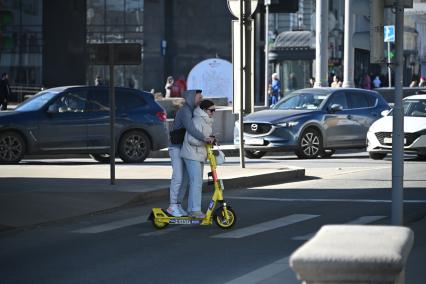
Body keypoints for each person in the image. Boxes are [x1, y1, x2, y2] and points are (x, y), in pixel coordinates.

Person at [167, 90, 214, 217]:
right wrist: (204, 138)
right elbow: (191, 129)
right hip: (176, 147)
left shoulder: (193, 110)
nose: (200, 99)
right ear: (191, 98)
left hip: (183, 147)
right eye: (199, 97)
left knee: (186, 179)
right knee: (178, 176)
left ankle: (178, 204)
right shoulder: (185, 111)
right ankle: (172, 206)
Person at [180, 99, 216, 218]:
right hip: (191, 154)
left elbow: (204, 137)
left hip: (198, 154)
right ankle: (194, 210)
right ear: (205, 110)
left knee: (195, 182)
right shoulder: (197, 120)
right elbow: (192, 139)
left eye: (214, 110)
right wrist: (205, 140)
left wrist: (211, 139)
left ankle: (191, 209)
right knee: (196, 183)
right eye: (211, 110)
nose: (213, 112)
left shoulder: (206, 121)